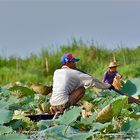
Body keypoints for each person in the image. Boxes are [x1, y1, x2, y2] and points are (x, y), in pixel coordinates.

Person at [49, 53, 114, 114]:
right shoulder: (75, 73)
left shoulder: (56, 72)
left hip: (52, 104)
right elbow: (93, 81)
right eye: (73, 62)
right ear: (68, 63)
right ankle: (67, 109)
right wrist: (108, 86)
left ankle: (56, 110)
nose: (75, 64)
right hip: (63, 104)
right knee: (82, 89)